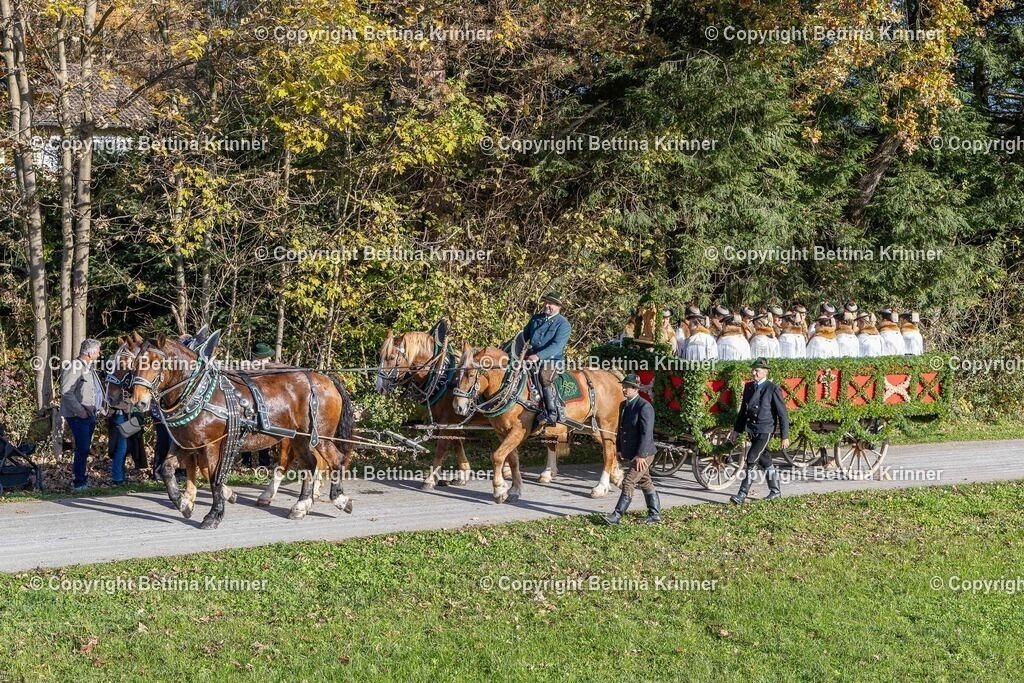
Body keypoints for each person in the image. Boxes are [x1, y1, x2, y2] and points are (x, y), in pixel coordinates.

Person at [727, 357, 790, 504]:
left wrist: (784, 436)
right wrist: (737, 430)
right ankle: (775, 491)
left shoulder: (772, 388)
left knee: (751, 459)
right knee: (766, 460)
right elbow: (743, 411)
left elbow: (782, 414)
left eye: (757, 370)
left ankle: (741, 495)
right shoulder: (749, 387)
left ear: (765, 372)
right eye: (753, 370)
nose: (754, 373)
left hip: (765, 429)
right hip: (752, 429)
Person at [603, 373, 660, 525]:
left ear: (635, 389)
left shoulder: (645, 407)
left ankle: (616, 516)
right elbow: (621, 429)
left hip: (644, 453)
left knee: (628, 481)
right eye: (624, 386)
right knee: (646, 481)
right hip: (633, 452)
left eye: (627, 387)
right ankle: (654, 515)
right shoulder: (624, 405)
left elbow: (646, 433)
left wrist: (641, 455)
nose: (624, 389)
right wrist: (620, 448)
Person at [60, 339, 106, 490]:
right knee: (82, 448)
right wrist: (81, 412)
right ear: (90, 353)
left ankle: (82, 478)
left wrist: (100, 407)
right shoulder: (75, 367)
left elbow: (93, 391)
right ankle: (78, 481)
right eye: (97, 351)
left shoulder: (89, 368)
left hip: (90, 413)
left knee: (85, 448)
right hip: (78, 415)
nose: (99, 355)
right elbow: (66, 392)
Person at [522, 291, 571, 425]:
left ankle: (551, 413)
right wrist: (508, 348)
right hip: (531, 358)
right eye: (547, 302)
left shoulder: (563, 324)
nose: (548, 306)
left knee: (544, 376)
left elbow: (557, 346)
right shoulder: (536, 318)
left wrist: (538, 356)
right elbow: (523, 336)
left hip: (553, 361)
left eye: (552, 304)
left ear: (559, 307)